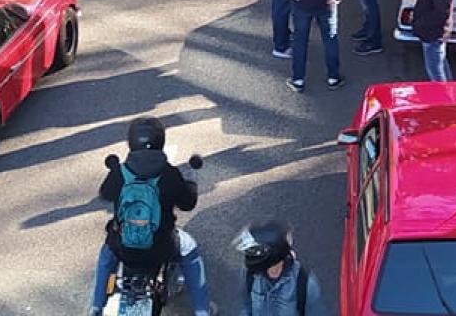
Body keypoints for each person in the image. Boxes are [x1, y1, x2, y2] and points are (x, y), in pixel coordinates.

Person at [89, 117, 210, 316]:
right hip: (162, 247)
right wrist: (190, 185)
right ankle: (202, 311)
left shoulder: (121, 172)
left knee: (106, 253)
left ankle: (96, 306)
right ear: (160, 141)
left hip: (123, 248)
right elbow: (188, 204)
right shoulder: (170, 174)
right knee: (191, 252)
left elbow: (105, 193)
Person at [234, 221, 329, 316]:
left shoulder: (304, 282)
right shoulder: (250, 275)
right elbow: (246, 308)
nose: (251, 254)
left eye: (256, 251)